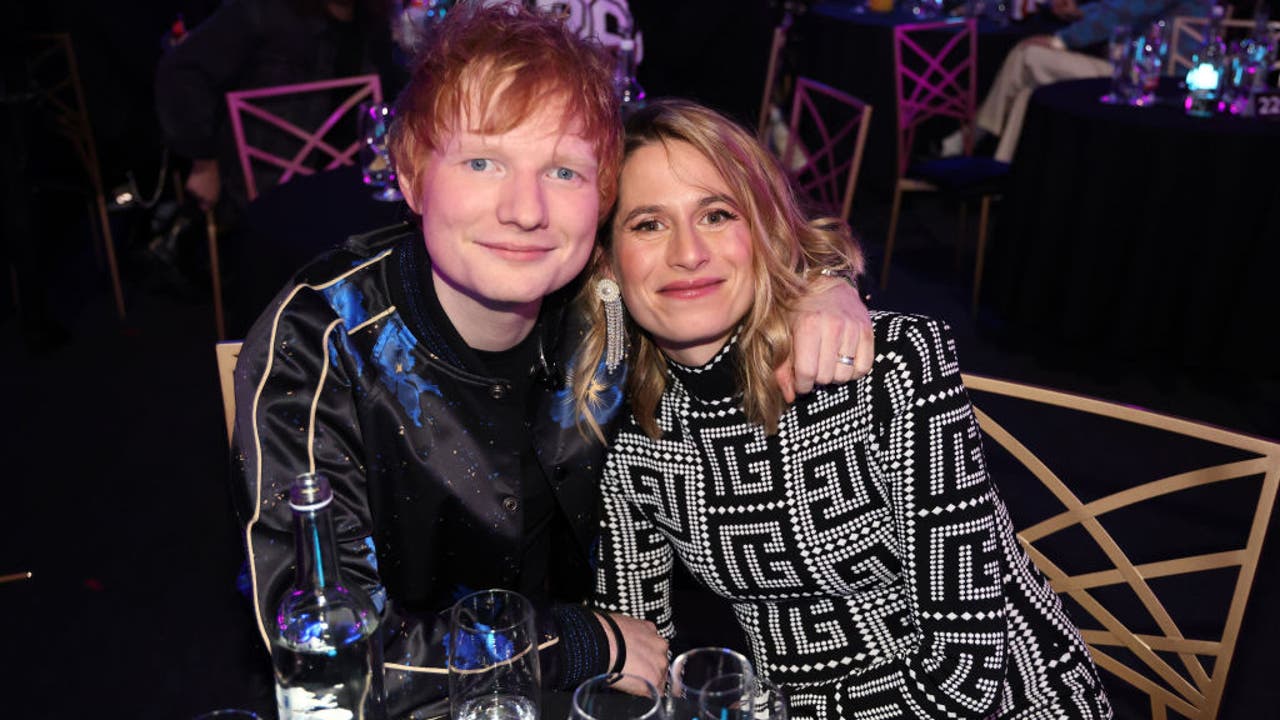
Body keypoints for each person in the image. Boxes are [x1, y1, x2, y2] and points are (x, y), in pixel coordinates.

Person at [232, 5, 873, 717]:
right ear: (410, 175)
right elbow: (327, 655)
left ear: (601, 198)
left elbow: (726, 254)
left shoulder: (604, 298)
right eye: (483, 162)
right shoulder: (324, 340)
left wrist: (822, 285)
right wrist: (574, 642)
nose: (526, 210)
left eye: (564, 170)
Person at [578, 99, 1112, 719]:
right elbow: (640, 652)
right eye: (648, 224)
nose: (689, 252)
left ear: (763, 232)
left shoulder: (887, 367)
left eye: (717, 214)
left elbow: (967, 674)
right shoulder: (628, 431)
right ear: (607, 261)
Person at [155, 0, 400, 215]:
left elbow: (393, 103)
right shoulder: (262, 12)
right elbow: (182, 71)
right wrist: (203, 162)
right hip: (268, 194)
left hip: (352, 188)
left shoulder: (375, 23)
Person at [945, 0, 1212, 162]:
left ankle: (971, 137)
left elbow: (1123, 13)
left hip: (1155, 83)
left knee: (1028, 55)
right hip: (1131, 72)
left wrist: (1061, 40)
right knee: (1029, 92)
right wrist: (1079, 12)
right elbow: (1118, 8)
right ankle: (1005, 170)